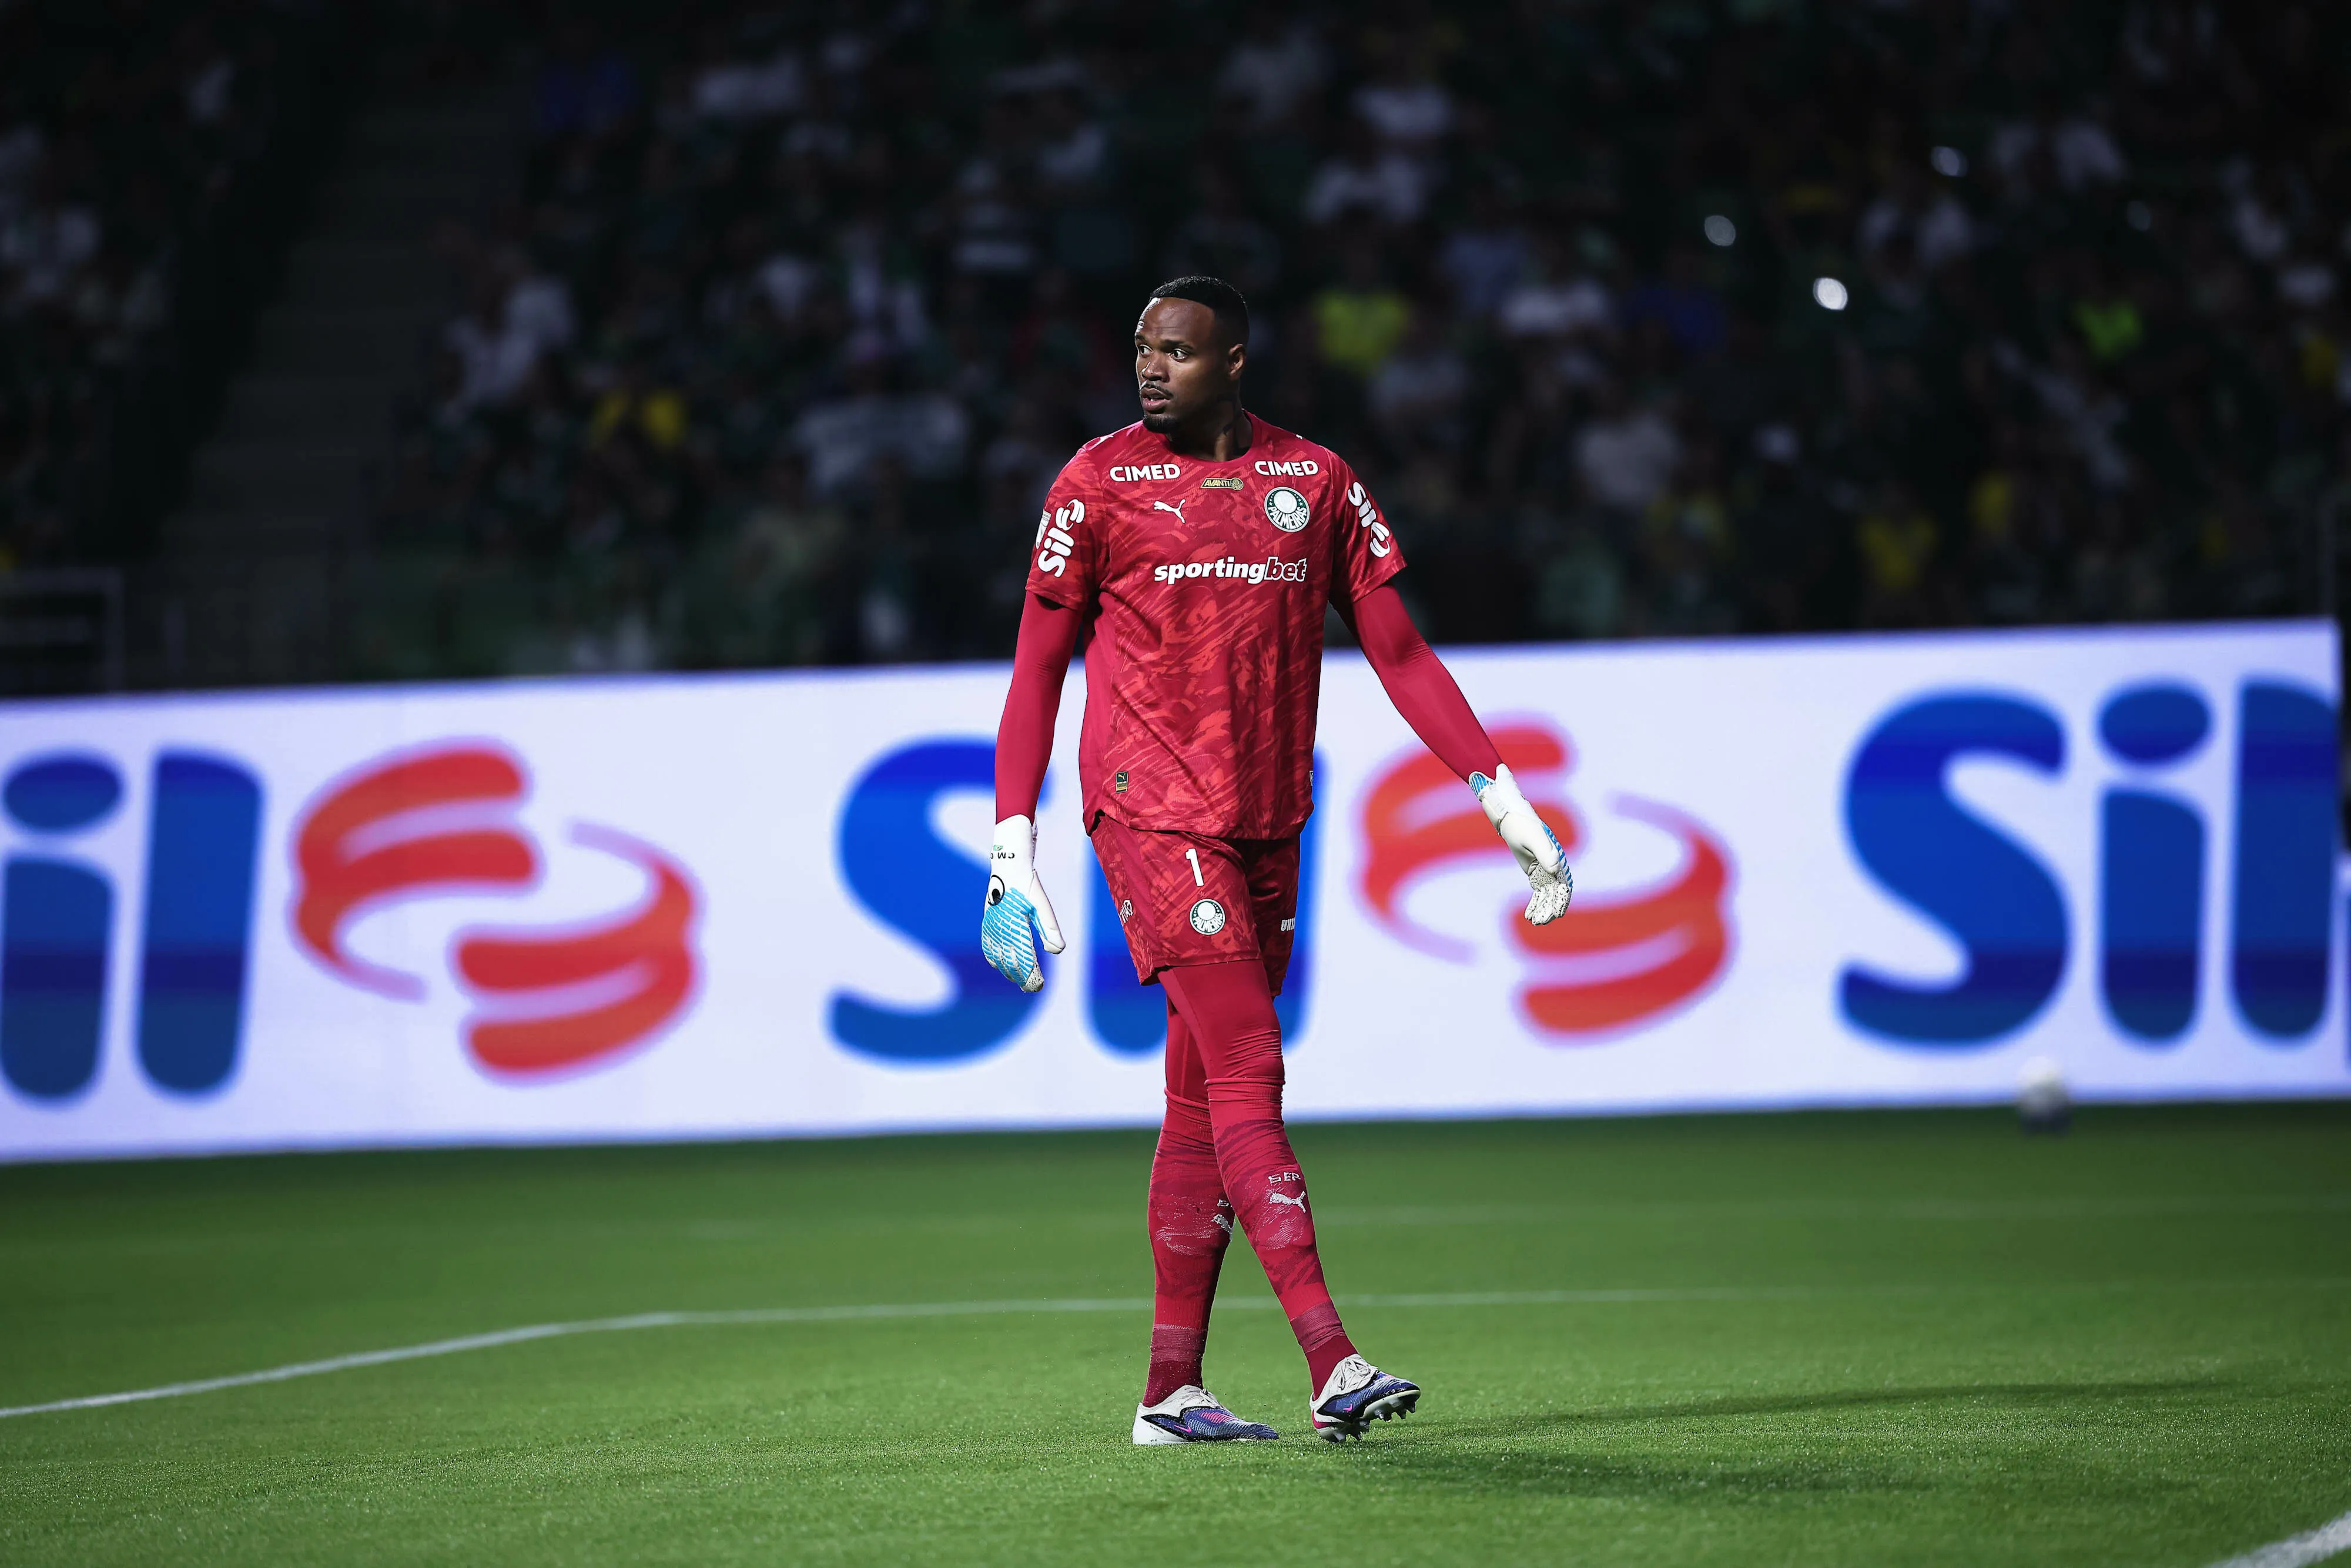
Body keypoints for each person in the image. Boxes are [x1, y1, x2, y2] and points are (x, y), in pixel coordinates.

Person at [980, 276, 1573, 1445]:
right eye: (1143, 348)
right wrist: (1013, 840)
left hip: (1265, 815)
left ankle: (1168, 1391)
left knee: (1199, 1100)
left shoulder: (1314, 482)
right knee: (1252, 1066)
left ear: (1235, 361)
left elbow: (1397, 648)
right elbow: (1037, 666)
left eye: (1179, 352)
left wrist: (1495, 790)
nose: (1151, 368)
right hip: (1151, 810)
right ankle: (1331, 1357)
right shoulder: (1097, 483)